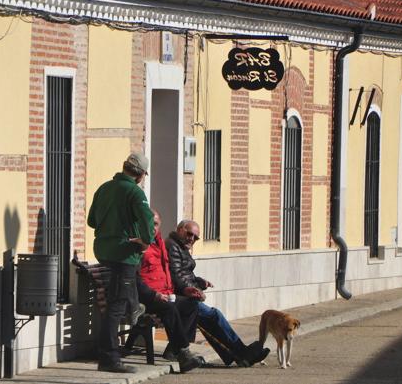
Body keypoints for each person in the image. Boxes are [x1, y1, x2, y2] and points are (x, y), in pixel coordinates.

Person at [166, 220, 271, 367]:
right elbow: (176, 276)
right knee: (213, 316)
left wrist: (200, 282)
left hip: (184, 295)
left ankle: (240, 354)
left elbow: (185, 274)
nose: (192, 239)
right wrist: (193, 290)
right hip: (180, 297)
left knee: (211, 317)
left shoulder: (180, 247)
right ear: (180, 230)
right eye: (190, 234)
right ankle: (241, 353)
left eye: (196, 238)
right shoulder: (173, 246)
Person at [87, 152, 155, 374]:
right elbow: (147, 221)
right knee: (115, 307)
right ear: (141, 175)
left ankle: (135, 307)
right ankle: (109, 358)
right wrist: (145, 241)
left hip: (103, 251)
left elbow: (91, 221)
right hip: (123, 254)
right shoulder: (136, 193)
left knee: (118, 299)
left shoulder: (105, 188)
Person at [135, 210, 203, 373]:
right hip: (145, 298)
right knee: (170, 308)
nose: (153, 228)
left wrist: (185, 289)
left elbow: (167, 273)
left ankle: (174, 350)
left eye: (156, 224)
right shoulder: (138, 245)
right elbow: (133, 279)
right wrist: (155, 295)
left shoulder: (160, 244)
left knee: (191, 304)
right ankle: (184, 354)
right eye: (150, 223)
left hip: (164, 293)